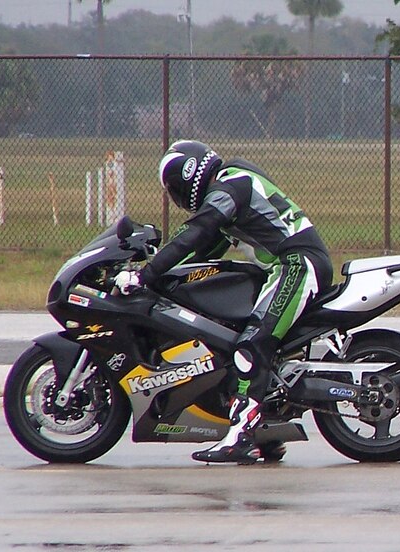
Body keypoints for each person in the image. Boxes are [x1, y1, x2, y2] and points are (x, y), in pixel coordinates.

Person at [114, 140, 333, 464]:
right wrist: (159, 276)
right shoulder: (232, 185)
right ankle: (266, 434)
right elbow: (202, 251)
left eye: (175, 187)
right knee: (236, 339)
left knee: (252, 345)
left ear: (190, 174)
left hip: (297, 265)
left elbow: (196, 234)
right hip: (293, 265)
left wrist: (144, 277)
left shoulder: (231, 185)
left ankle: (240, 439)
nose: (176, 197)